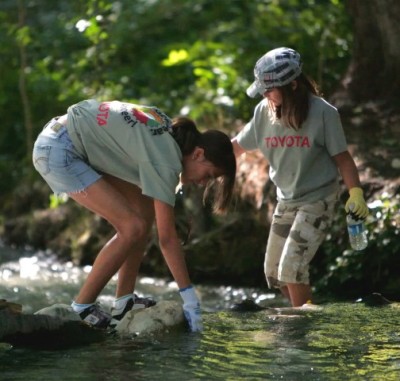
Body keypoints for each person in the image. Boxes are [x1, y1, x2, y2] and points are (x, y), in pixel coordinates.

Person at [32, 99, 236, 331]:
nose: (203, 183)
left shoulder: (168, 136)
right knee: (132, 227)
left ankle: (123, 303)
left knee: (143, 214)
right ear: (198, 154)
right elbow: (167, 239)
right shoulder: (166, 160)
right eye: (208, 175)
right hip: (59, 149)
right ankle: (82, 306)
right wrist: (190, 298)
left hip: (66, 138)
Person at [232, 47, 369, 307]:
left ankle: (302, 329)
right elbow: (236, 146)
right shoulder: (264, 111)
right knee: (274, 273)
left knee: (292, 269)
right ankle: (304, 315)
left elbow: (343, 159)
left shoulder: (324, 113)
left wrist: (356, 193)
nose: (264, 94)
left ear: (293, 85)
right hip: (286, 200)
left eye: (269, 89)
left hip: (318, 199)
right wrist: (196, 159)